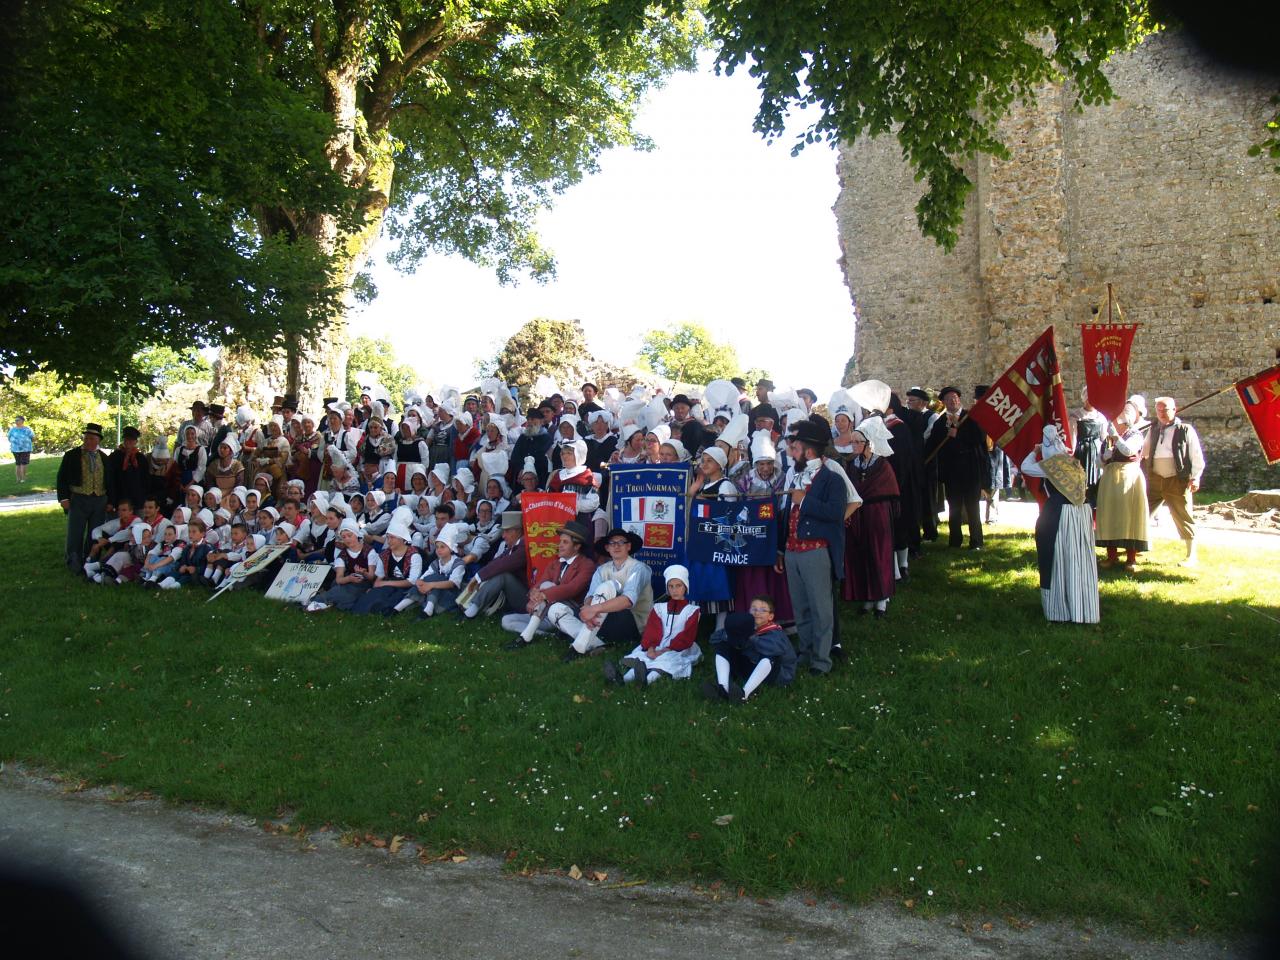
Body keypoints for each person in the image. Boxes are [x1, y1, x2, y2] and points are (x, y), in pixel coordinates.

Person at [776, 419, 848, 676]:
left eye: (795, 449)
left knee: (821, 608)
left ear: (807, 451)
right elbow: (786, 516)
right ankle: (805, 651)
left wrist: (804, 500)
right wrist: (781, 549)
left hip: (816, 552)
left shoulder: (831, 479)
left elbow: (835, 513)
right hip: (793, 551)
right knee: (801, 607)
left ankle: (821, 660)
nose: (791, 453)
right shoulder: (795, 476)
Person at [1021, 425, 1099, 623]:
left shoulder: (1052, 465)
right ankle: (1082, 606)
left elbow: (1025, 466)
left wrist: (1035, 451)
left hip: (1059, 514)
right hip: (1080, 514)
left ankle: (1058, 609)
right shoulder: (1073, 462)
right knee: (1078, 559)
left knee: (1056, 558)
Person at [554, 527, 653, 662]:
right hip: (602, 620)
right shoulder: (602, 569)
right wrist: (588, 608)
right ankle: (598, 644)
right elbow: (590, 596)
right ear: (607, 548)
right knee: (555, 610)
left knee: (608, 586)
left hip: (631, 622)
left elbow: (628, 601)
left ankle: (578, 647)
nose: (616, 546)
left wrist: (593, 609)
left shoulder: (638, 568)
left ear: (628, 546)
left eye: (621, 542)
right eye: (612, 543)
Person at [501, 520, 596, 648]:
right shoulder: (555, 563)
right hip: (543, 612)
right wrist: (533, 595)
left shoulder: (587, 565)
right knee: (506, 620)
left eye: (565, 542)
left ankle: (526, 637)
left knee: (547, 586)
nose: (560, 545)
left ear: (577, 546)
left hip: (567, 613)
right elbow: (539, 584)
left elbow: (572, 589)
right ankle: (548, 636)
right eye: (560, 541)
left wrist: (543, 594)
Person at [602, 565, 701, 686]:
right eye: (671, 586)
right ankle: (623, 679)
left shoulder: (692, 610)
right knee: (644, 659)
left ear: (685, 587)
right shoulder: (660, 608)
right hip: (658, 644)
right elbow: (652, 630)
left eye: (678, 586)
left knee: (666, 660)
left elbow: (687, 635)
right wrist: (651, 648)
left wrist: (664, 651)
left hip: (679, 648)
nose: (674, 590)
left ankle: (646, 681)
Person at [1144, 396, 1206, 565]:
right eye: (1159, 410)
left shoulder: (1185, 430)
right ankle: (1139, 548)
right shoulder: (1153, 429)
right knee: (1142, 513)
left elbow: (1196, 455)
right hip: (1155, 478)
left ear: (1174, 410)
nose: (1162, 414)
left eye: (1166, 410)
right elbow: (1144, 451)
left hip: (1177, 479)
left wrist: (1195, 477)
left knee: (1183, 516)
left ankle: (1191, 555)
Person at [841, 420, 894, 617]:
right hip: (858, 514)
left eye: (857, 442)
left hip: (876, 514)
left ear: (868, 443)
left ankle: (881, 598)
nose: (853, 445)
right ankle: (866, 596)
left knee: (878, 553)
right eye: (852, 442)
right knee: (860, 554)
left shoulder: (882, 464)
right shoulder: (851, 464)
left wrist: (860, 495)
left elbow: (885, 488)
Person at [924, 385, 987, 550]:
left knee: (973, 508)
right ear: (944, 402)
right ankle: (955, 541)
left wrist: (958, 434)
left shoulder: (971, 417)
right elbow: (933, 444)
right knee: (954, 508)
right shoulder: (940, 422)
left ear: (959, 400)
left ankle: (976, 542)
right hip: (952, 472)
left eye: (955, 398)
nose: (953, 401)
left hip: (971, 470)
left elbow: (979, 438)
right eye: (949, 399)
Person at [701, 601, 796, 703]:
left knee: (770, 656)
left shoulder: (775, 633)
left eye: (763, 610)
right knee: (723, 645)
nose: (757, 613)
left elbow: (773, 650)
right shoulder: (746, 628)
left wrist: (751, 639)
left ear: (771, 616)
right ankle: (723, 688)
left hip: (776, 674)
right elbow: (715, 638)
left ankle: (744, 694)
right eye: (754, 609)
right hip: (751, 665)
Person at [1096, 396, 1150, 572]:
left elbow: (1129, 450)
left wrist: (1117, 438)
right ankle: (1111, 556)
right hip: (1110, 478)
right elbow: (1099, 462)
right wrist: (1105, 455)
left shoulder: (1135, 434)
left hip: (1129, 476)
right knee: (1110, 515)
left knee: (1129, 516)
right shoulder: (1108, 437)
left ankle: (1131, 558)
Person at [57, 423, 111, 572]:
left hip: (99, 499)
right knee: (75, 531)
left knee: (95, 531)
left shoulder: (104, 458)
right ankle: (73, 559)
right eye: (86, 438)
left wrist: (110, 500)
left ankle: (91, 558)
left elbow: (111, 480)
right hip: (79, 497)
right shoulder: (72, 455)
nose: (87, 441)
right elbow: (61, 478)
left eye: (91, 438)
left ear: (98, 440)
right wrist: (64, 499)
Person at [459, 511, 528, 619]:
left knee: (503, 576)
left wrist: (479, 577)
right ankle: (468, 604)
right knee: (492, 572)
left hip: (528, 600)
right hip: (518, 594)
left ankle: (472, 610)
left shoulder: (524, 546)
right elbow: (496, 562)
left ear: (516, 531)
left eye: (506, 531)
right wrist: (479, 576)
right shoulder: (516, 546)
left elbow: (503, 564)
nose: (503, 536)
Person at [1074, 387, 1108, 507]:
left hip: (1096, 451)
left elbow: (1104, 437)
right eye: (1089, 398)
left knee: (1096, 477)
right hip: (1082, 450)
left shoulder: (1101, 417)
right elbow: (1073, 436)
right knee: (1082, 478)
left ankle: (1094, 503)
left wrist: (1106, 454)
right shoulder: (1076, 415)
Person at [7, 415, 34, 483]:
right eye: (15, 420)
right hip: (16, 449)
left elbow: (32, 437)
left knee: (21, 464)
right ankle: (21, 479)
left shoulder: (27, 429)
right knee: (19, 464)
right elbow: (9, 438)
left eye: (17, 420)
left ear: (22, 421)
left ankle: (21, 479)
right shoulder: (12, 429)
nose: (16, 421)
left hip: (25, 449)